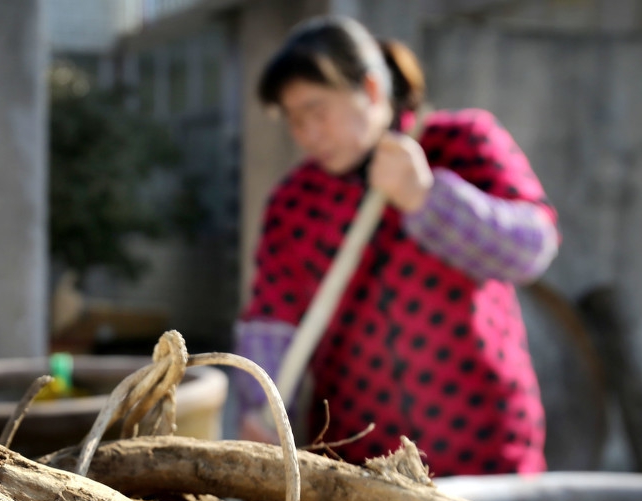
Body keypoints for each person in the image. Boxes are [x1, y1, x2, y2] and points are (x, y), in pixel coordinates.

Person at [233, 15, 556, 476]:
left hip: (483, 443)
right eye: (293, 120)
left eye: (316, 111)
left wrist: (429, 199)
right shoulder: (295, 199)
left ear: (370, 88)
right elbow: (271, 318)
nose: (306, 134)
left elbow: (532, 248)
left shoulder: (461, 142)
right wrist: (258, 408)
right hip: (357, 456)